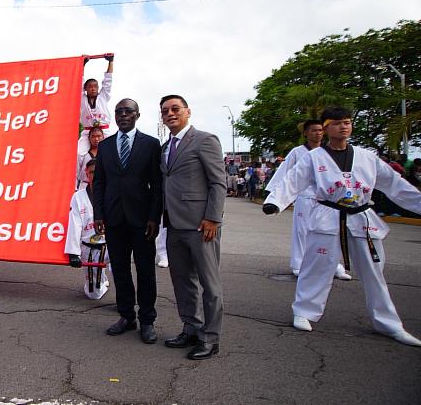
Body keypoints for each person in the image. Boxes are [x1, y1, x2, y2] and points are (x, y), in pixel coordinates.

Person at [263, 106, 421, 346]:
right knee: (316, 266)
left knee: (374, 272)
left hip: (361, 216)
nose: (344, 126)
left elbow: (395, 184)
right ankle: (304, 311)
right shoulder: (313, 157)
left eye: (347, 122)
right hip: (327, 215)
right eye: (337, 123)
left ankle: (388, 323)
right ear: (326, 128)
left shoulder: (367, 157)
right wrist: (275, 201)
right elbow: (292, 181)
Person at [159, 94, 226, 360]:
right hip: (174, 225)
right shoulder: (165, 147)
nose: (170, 114)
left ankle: (211, 337)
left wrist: (213, 218)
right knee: (182, 281)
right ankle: (192, 327)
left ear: (188, 112)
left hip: (202, 225)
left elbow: (218, 183)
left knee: (210, 285)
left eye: (175, 109)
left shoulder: (205, 140)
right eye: (165, 111)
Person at [93, 98, 162, 344]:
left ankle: (147, 320)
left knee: (145, 271)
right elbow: (99, 182)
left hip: (143, 221)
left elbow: (157, 185)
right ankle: (126, 316)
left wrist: (155, 216)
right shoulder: (106, 146)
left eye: (128, 111)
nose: (123, 115)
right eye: (119, 111)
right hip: (113, 219)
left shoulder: (152, 145)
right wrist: (98, 214)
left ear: (137, 115)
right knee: (120, 271)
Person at [265, 119, 350, 280]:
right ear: (306, 133)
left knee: (331, 233)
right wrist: (272, 195)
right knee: (301, 231)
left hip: (328, 199)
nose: (317, 133)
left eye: (320, 130)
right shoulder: (297, 152)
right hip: (305, 197)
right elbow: (285, 172)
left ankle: (334, 265)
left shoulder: (329, 151)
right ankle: (299, 264)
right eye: (313, 130)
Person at [66, 159, 110, 300]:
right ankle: (101, 279)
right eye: (91, 172)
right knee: (94, 295)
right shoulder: (78, 197)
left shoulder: (112, 193)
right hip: (89, 247)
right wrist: (73, 253)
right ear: (86, 173)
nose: (95, 176)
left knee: (122, 276)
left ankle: (125, 302)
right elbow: (75, 224)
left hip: (111, 245)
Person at [78, 55, 113, 156]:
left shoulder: (103, 96)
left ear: (98, 88)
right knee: (79, 154)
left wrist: (111, 61)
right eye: (90, 87)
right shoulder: (82, 99)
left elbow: (108, 82)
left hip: (105, 131)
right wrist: (83, 64)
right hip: (87, 132)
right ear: (85, 89)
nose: (93, 89)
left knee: (112, 153)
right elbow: (79, 82)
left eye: (95, 86)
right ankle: (81, 172)